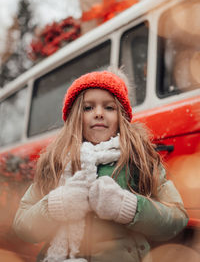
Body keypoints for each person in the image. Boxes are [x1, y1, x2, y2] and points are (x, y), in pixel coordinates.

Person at [13, 69, 188, 262]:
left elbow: (176, 218)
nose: (98, 114)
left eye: (109, 107)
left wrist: (129, 207)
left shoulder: (139, 159)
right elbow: (22, 226)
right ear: (74, 117)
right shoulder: (55, 163)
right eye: (88, 108)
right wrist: (55, 205)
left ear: (121, 116)